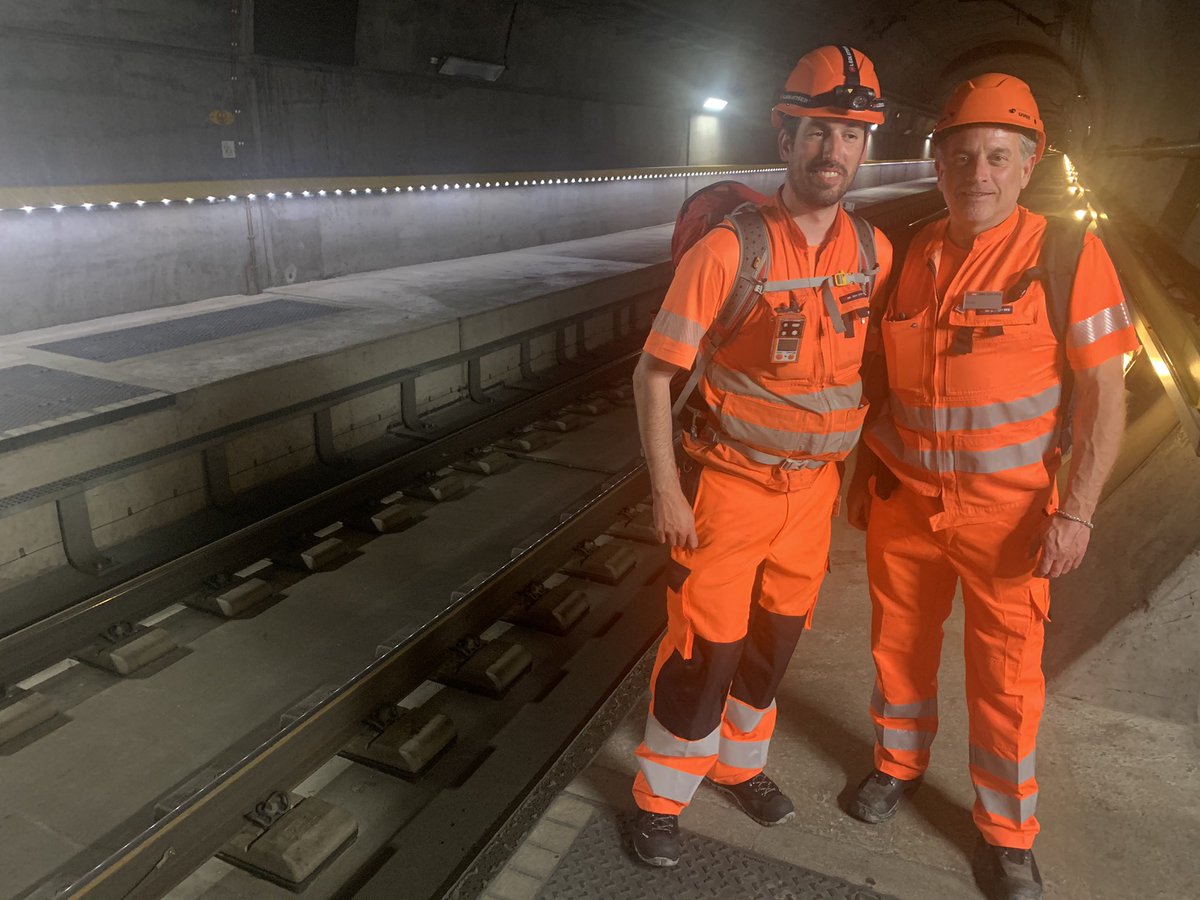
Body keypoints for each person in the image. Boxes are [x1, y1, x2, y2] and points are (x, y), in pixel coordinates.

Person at [845, 73, 1137, 900]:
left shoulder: (1067, 254)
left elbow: (1106, 392)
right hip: (907, 506)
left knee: (1006, 680)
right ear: (938, 163)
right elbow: (880, 378)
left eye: (997, 156)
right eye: (962, 154)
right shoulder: (909, 256)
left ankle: (1005, 834)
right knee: (897, 651)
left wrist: (1076, 511)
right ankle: (896, 765)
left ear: (1027, 164)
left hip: (1010, 518)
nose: (979, 170)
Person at [629, 45, 894, 867]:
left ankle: (740, 768)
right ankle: (659, 797)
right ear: (785, 139)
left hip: (812, 495)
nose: (833, 151)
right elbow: (653, 374)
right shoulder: (729, 252)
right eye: (818, 132)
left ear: (865, 148)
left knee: (774, 644)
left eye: (851, 136)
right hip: (730, 487)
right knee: (704, 649)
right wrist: (668, 494)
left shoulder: (873, 254)